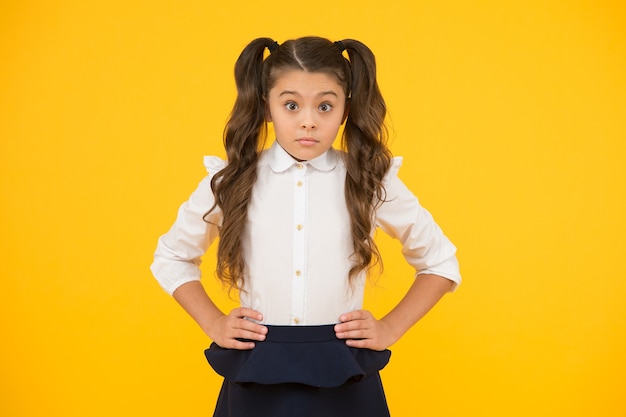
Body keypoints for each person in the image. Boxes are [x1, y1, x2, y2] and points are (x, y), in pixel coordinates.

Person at [151, 36, 461, 417]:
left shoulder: (369, 181)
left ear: (345, 109)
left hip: (344, 369)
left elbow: (440, 262)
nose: (309, 121)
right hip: (257, 367)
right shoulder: (231, 180)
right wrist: (213, 321)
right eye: (292, 105)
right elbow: (172, 256)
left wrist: (390, 328)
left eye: (325, 106)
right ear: (267, 106)